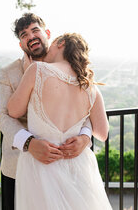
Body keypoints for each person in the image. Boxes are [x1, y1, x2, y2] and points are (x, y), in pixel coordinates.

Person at [0, 13, 93, 210]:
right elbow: (2, 115)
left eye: (35, 30)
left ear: (47, 33)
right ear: (21, 45)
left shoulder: (71, 67)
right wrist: (29, 143)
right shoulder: (9, 72)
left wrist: (85, 137)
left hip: (64, 166)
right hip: (18, 168)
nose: (30, 36)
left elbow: (87, 108)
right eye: (24, 35)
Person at [7, 32, 112, 210]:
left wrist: (27, 72)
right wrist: (84, 136)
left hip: (42, 167)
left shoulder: (37, 70)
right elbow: (102, 133)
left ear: (61, 43)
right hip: (79, 166)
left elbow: (14, 111)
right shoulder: (90, 86)